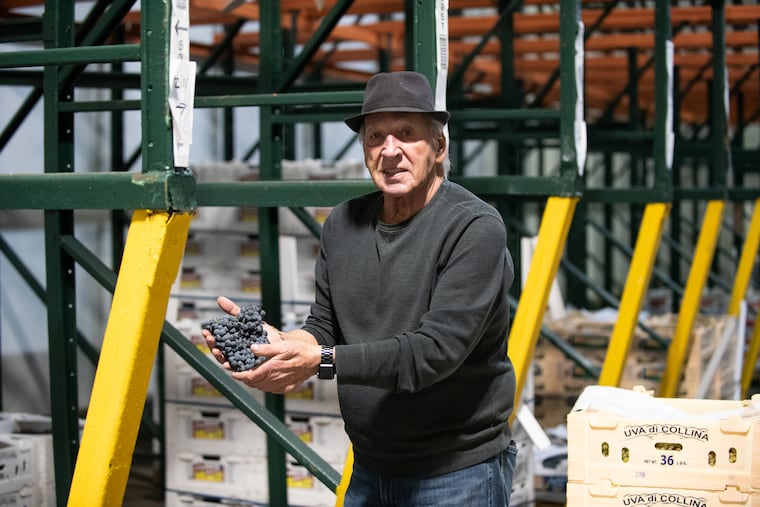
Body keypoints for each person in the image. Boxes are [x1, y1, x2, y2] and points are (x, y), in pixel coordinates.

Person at [203, 70, 517, 506]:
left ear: (439, 146)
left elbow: (435, 352)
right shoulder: (343, 224)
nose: (390, 151)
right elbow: (325, 325)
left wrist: (320, 361)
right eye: (376, 137)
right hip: (371, 465)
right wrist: (281, 345)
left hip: (455, 471)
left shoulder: (473, 228)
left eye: (407, 134)